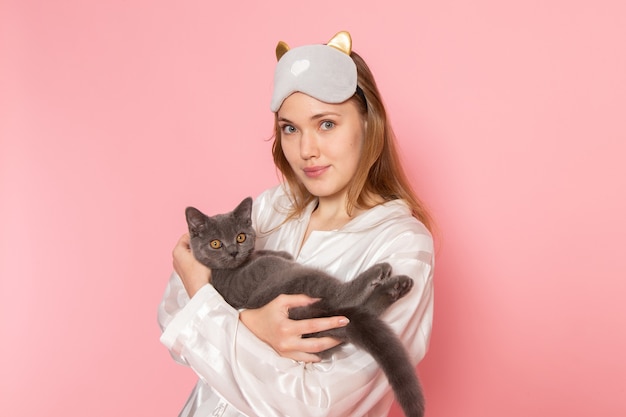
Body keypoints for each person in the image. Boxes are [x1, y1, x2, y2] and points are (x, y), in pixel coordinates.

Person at [158, 31, 435, 417]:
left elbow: (314, 405)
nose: (306, 150)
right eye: (290, 128)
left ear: (369, 124)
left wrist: (221, 319)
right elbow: (172, 323)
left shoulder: (402, 245)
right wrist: (249, 325)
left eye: (326, 124)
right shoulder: (272, 208)